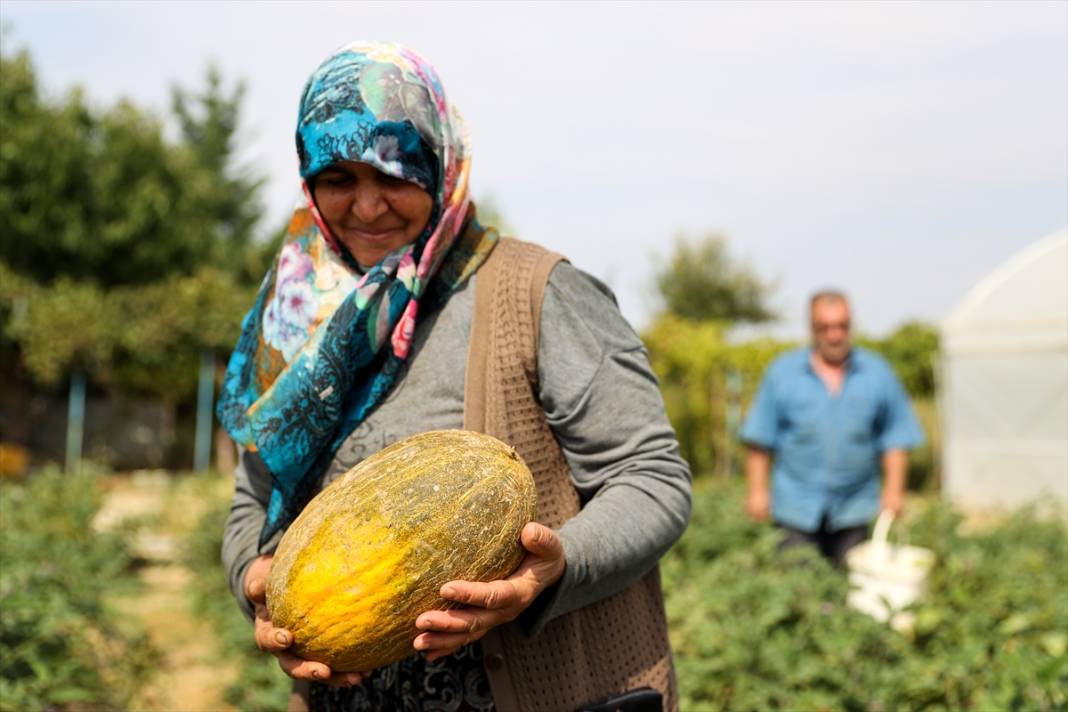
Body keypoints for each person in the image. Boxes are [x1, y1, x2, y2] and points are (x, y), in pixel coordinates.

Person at [217, 41, 691, 712]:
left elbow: (653, 478)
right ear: (308, 180)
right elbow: (251, 498)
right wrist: (257, 581)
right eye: (338, 178)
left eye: (395, 175)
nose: (368, 206)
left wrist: (550, 570)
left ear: (440, 168)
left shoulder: (536, 291)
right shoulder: (294, 317)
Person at [739, 290, 924, 567]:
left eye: (842, 326)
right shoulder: (783, 373)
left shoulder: (877, 373)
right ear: (811, 328)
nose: (834, 336)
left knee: (853, 589)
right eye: (824, 328)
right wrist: (757, 491)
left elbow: (895, 435)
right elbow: (760, 438)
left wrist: (894, 490)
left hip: (854, 506)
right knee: (799, 587)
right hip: (796, 507)